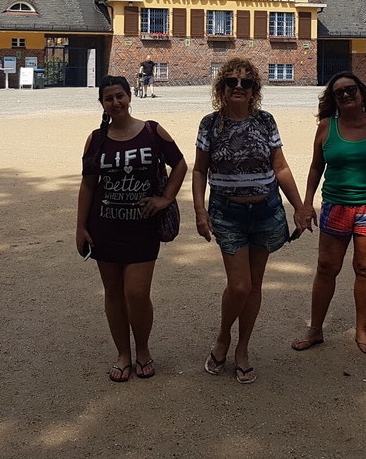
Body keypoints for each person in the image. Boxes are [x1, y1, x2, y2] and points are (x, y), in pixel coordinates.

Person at [193, 57, 314, 384]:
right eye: (231, 81)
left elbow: (280, 167)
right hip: (227, 213)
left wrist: (299, 206)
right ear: (221, 88)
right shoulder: (211, 124)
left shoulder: (265, 121)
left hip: (265, 211)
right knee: (240, 285)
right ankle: (223, 337)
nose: (238, 87)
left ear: (253, 90)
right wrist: (200, 210)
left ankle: (243, 347)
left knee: (254, 285)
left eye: (246, 83)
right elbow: (200, 169)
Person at [291, 71, 366, 356]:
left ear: (361, 92)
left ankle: (361, 330)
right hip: (336, 205)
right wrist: (307, 204)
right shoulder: (327, 126)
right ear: (332, 99)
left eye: (351, 89)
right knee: (326, 267)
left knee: (365, 268)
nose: (346, 95)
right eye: (339, 92)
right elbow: (316, 167)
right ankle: (316, 329)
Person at [77, 75, 187, 382]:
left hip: (142, 228)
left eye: (120, 96)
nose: (116, 103)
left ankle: (143, 350)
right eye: (109, 98)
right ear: (102, 103)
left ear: (129, 96)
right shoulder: (96, 139)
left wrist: (167, 198)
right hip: (105, 226)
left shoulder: (151, 130)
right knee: (113, 294)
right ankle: (123, 354)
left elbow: (179, 164)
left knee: (137, 294)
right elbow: (88, 185)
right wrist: (80, 227)